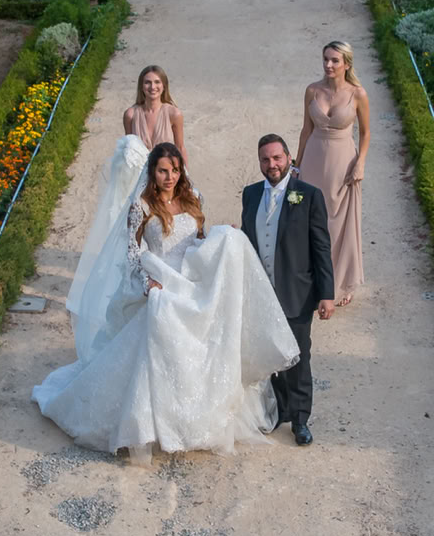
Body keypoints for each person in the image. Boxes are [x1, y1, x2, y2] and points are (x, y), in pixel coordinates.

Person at [35, 140, 299, 456]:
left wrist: (221, 237)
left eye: (174, 170)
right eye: (163, 171)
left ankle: (194, 420)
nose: (170, 176)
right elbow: (133, 252)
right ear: (152, 172)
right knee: (155, 350)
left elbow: (199, 241)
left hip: (190, 281)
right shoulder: (142, 206)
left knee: (201, 347)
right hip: (159, 283)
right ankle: (152, 425)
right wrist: (147, 283)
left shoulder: (193, 198)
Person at [240, 134, 334, 444]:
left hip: (296, 293)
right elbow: (247, 239)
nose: (272, 164)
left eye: (277, 158)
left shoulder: (308, 195)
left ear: (289, 158)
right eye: (265, 159)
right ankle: (280, 409)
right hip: (261, 293)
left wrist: (326, 294)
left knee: (297, 357)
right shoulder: (251, 194)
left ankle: (301, 419)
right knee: (269, 356)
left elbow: (321, 248)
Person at [295, 41, 368, 305]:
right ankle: (312, 281)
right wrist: (296, 165)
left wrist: (360, 163)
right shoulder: (312, 90)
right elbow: (305, 130)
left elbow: (367, 133)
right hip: (313, 159)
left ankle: (338, 284)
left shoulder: (358, 94)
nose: (328, 65)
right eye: (326, 59)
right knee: (311, 221)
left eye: (335, 60)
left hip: (343, 164)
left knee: (338, 224)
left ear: (346, 64)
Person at [122, 65, 184, 155]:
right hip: (138, 168)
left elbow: (180, 148)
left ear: (164, 86)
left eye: (157, 82)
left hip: (165, 168)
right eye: (147, 82)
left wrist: (184, 169)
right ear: (141, 86)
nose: (152, 87)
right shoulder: (130, 115)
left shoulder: (174, 114)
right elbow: (128, 149)